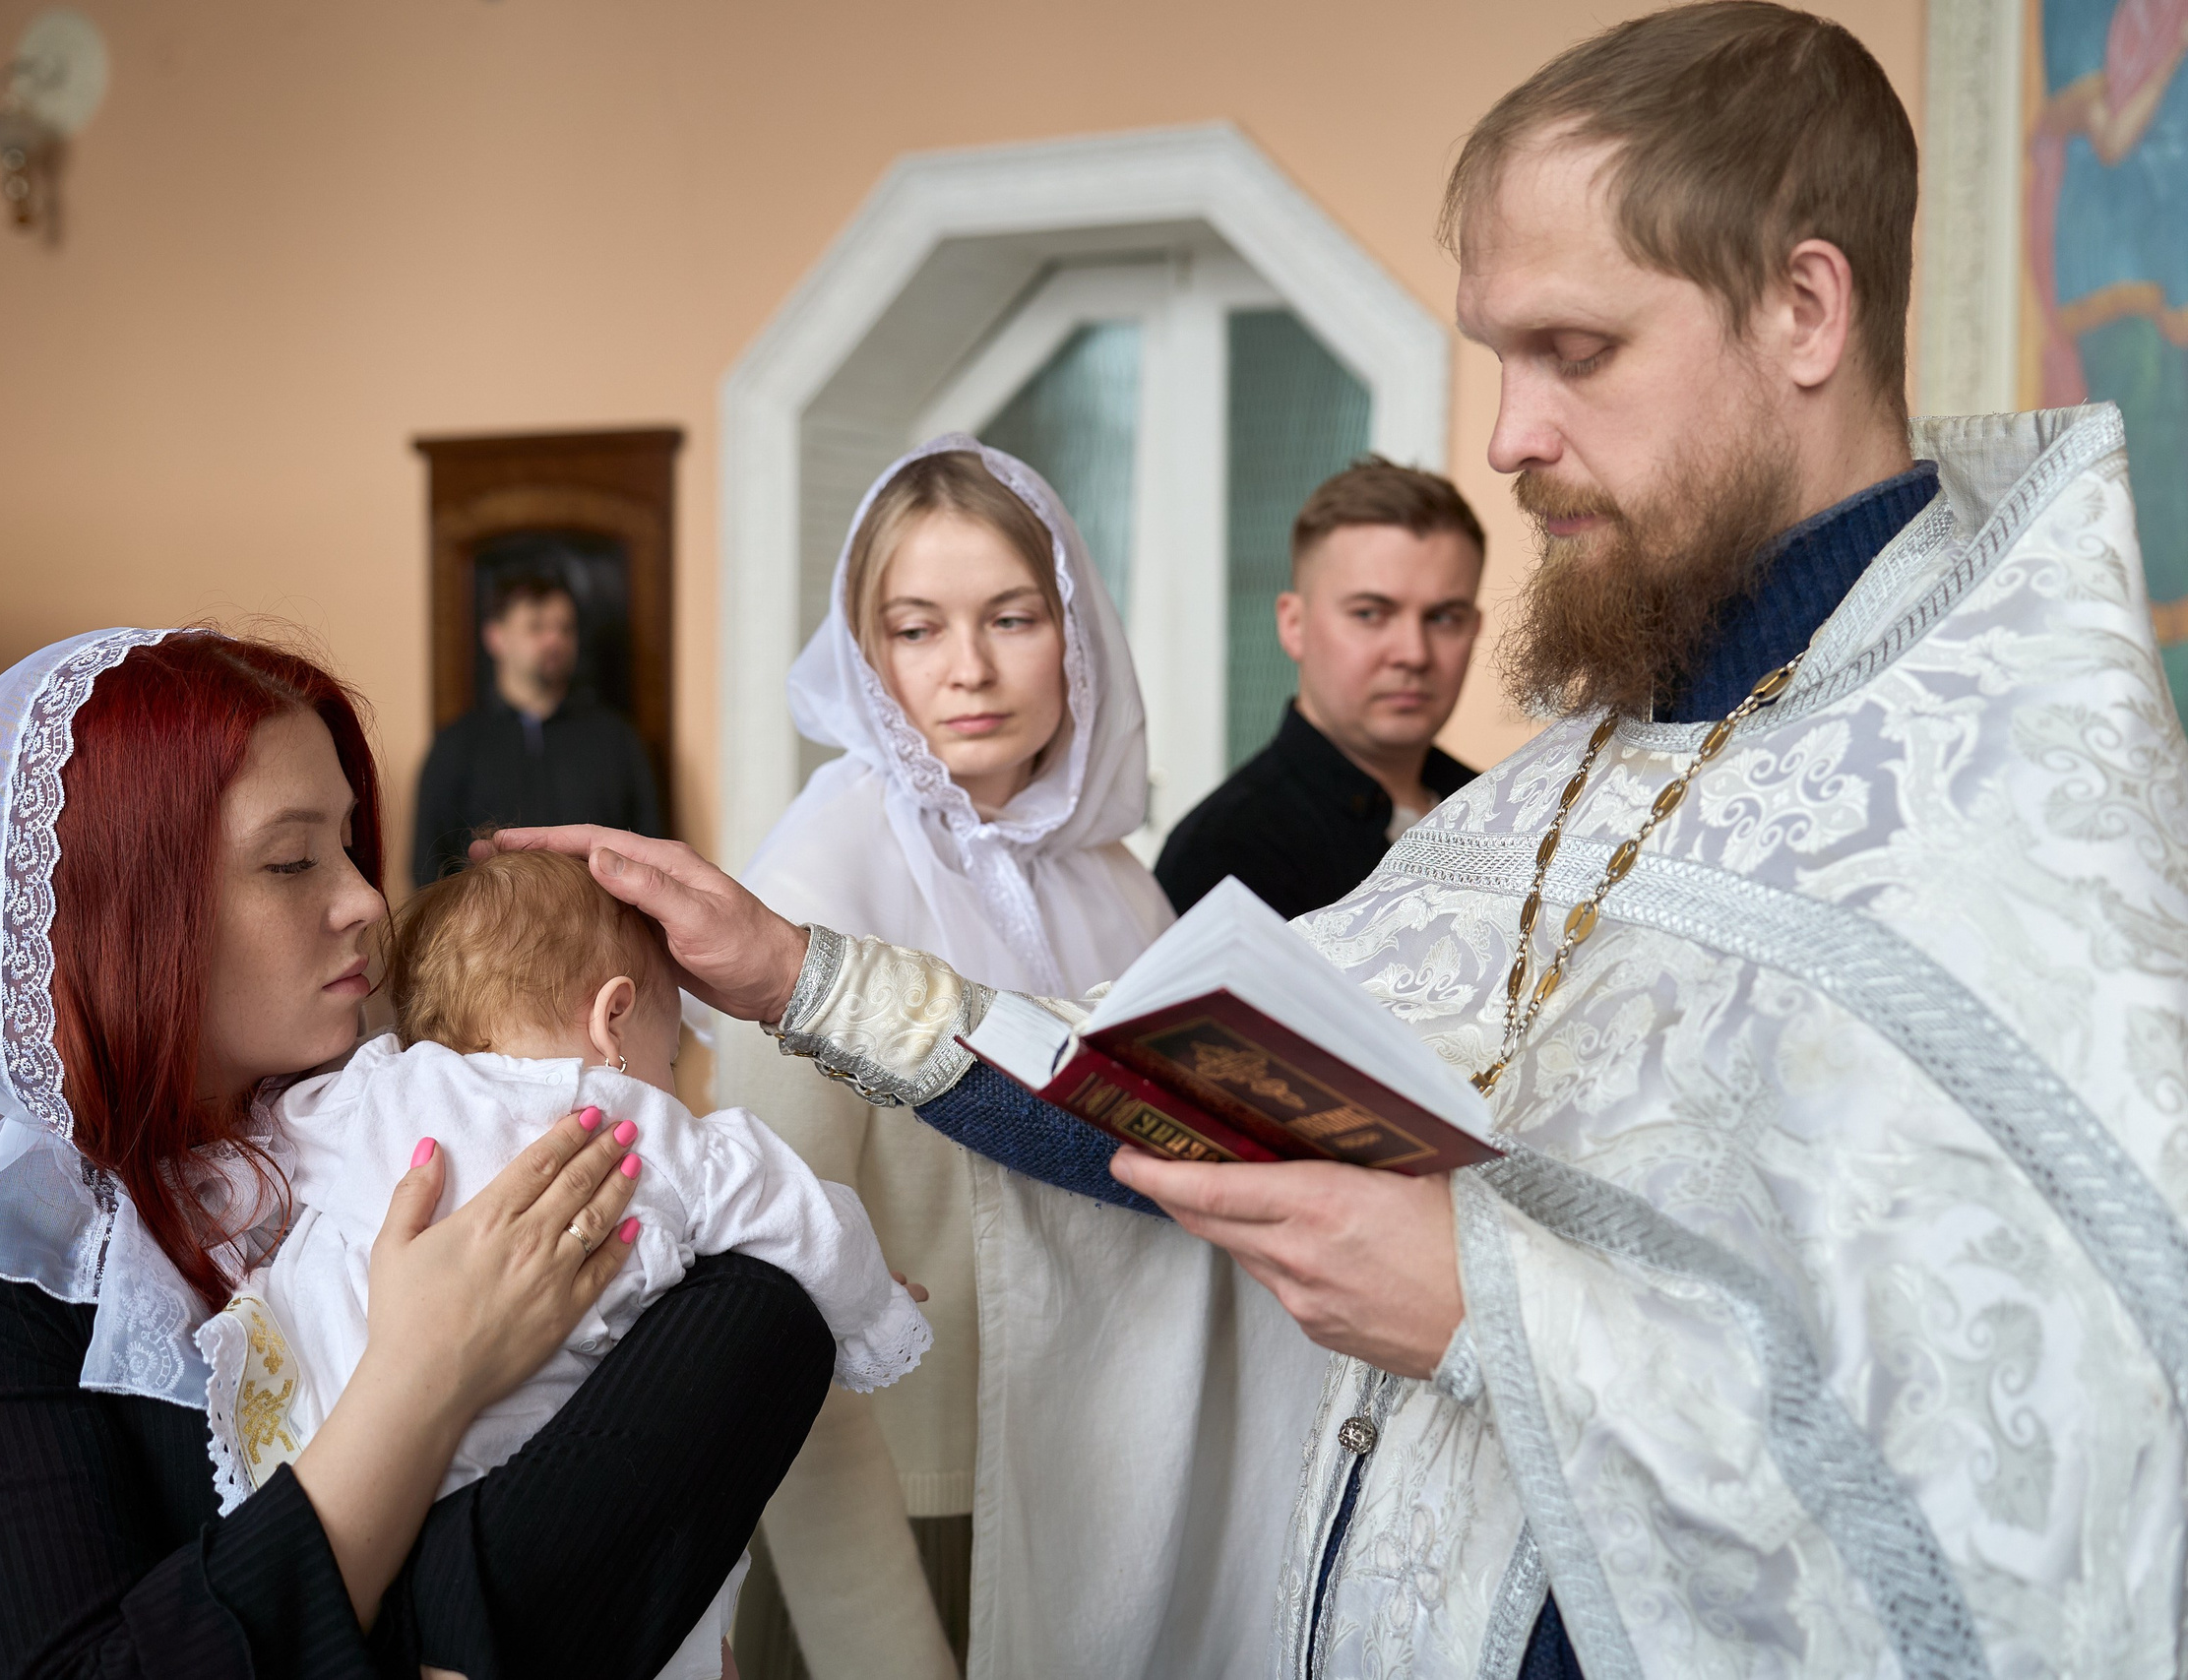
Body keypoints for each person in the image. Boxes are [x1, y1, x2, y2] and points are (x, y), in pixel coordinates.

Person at [493, 5, 2188, 1675]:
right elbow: (1181, 1104)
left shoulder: (2022, 838)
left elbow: (2039, 1486)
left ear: (1805, 308)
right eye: (1496, 357)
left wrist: (1483, 1311)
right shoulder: (1569, 783)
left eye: (1575, 351)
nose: (1511, 432)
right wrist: (797, 971)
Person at [0, 629, 832, 1678]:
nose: (364, 900)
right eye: (292, 860)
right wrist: (420, 1379)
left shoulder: (397, 1117)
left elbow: (753, 1327)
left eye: (349, 848)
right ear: (121, 909)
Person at [715, 437, 1210, 1680]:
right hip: (901, 1508)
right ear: (866, 652)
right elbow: (775, 1290)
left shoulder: (1121, 883)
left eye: (1012, 617)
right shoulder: (815, 880)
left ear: (1075, 632)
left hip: (1099, 1482)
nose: (970, 670)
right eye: (916, 629)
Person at [198, 849, 931, 1680]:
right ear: (613, 1020)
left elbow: (256, 1166)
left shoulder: (368, 1096)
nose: (671, 1083)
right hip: (531, 1505)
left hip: (340, 1484)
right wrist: (873, 1314)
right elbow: (794, 1210)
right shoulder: (622, 1121)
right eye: (672, 1051)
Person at [1155, 458, 1484, 918]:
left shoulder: (1504, 813)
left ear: (1474, 627)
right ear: (1294, 625)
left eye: (1443, 617)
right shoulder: (1225, 855)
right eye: (1370, 613)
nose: (1413, 653)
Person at [413, 570, 662, 886]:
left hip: (598, 928)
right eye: (536, 626)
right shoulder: (456, 745)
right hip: (486, 931)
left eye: (565, 628)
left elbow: (651, 851)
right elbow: (427, 868)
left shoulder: (617, 740)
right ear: (495, 636)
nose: (554, 640)